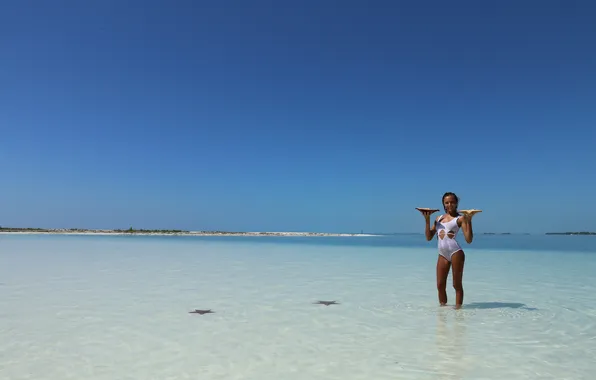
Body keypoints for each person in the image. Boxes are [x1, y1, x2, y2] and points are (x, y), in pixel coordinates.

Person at [418, 192, 474, 309]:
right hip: (442, 254)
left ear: (456, 203)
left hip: (456, 253)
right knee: (440, 285)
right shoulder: (439, 218)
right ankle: (443, 312)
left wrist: (469, 220)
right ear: (443, 204)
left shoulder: (460, 218)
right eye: (447, 203)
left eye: (452, 202)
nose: (449, 205)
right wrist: (427, 220)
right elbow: (429, 237)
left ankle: (458, 313)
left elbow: (468, 240)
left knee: (456, 284)